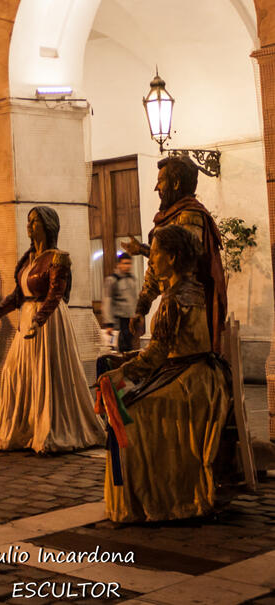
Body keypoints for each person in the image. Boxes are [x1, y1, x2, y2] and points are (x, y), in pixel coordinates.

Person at [97, 225, 232, 523]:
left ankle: (160, 496)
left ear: (171, 257)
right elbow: (165, 349)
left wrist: (118, 375)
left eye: (155, 253)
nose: (151, 260)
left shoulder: (174, 299)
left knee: (133, 414)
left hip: (193, 382)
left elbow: (157, 354)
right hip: (196, 372)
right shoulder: (190, 286)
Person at [0, 207, 103, 453]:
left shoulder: (57, 258)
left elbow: (56, 294)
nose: (29, 225)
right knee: (13, 373)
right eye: (28, 221)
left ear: (48, 226)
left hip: (48, 323)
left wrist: (40, 319)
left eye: (34, 221)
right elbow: (18, 295)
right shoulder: (28, 260)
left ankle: (47, 430)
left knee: (44, 375)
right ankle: (24, 428)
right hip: (26, 319)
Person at [121, 156, 227, 352]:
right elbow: (157, 267)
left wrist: (146, 250)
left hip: (188, 309)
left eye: (161, 181)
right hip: (173, 302)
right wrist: (141, 308)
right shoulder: (171, 217)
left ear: (176, 183)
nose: (156, 188)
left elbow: (183, 259)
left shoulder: (189, 216)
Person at [102, 253, 139, 352]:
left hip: (130, 321)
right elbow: (107, 301)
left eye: (129, 264)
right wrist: (109, 324)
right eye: (125, 263)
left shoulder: (132, 279)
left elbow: (134, 299)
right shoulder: (112, 280)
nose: (128, 266)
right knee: (119, 349)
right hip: (119, 321)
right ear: (119, 264)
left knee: (130, 348)